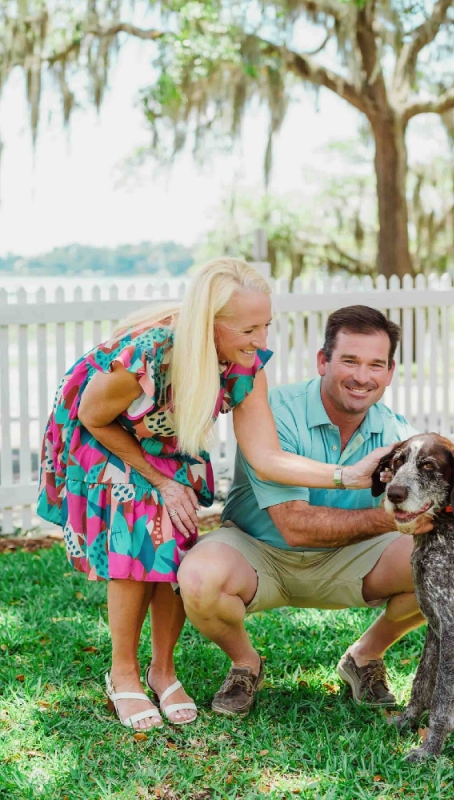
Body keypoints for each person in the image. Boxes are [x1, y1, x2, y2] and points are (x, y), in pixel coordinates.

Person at [177, 305, 454, 717]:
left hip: (351, 559)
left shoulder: (396, 432)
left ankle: (364, 656)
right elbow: (295, 526)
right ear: (322, 361)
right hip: (258, 552)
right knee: (199, 577)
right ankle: (246, 663)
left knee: (449, 566)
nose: (362, 377)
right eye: (349, 361)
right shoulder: (274, 412)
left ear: (389, 372)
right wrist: (388, 519)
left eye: (375, 365)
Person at [37, 262, 387, 731]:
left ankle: (162, 671)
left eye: (266, 325)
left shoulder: (246, 364)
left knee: (178, 534)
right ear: (210, 325)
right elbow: (92, 417)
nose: (262, 340)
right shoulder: (150, 354)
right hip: (102, 435)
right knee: (141, 533)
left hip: (162, 434)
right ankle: (122, 673)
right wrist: (160, 481)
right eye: (248, 328)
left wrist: (350, 475)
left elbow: (266, 457)